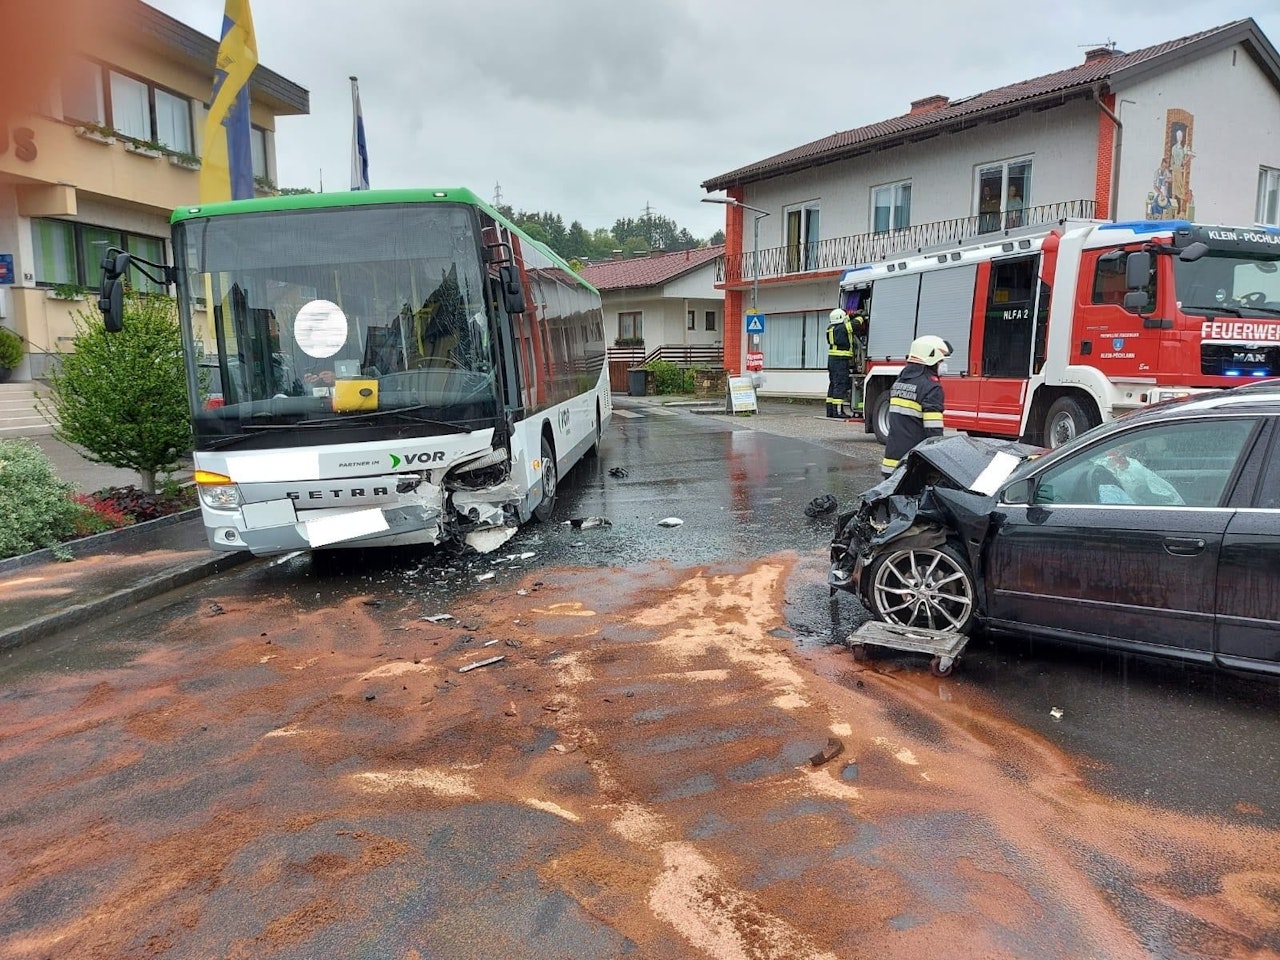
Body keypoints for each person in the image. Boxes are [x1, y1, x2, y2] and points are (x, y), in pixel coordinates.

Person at [882, 335, 951, 477]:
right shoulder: (931, 387)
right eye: (941, 360)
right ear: (932, 359)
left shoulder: (900, 381)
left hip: (891, 462)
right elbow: (934, 434)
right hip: (913, 466)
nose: (943, 364)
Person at [825, 308, 856, 418]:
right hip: (840, 361)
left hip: (832, 361)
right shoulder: (842, 328)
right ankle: (837, 412)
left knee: (833, 385)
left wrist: (850, 316)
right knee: (841, 385)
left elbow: (846, 322)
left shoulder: (831, 328)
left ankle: (830, 411)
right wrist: (861, 316)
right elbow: (855, 325)